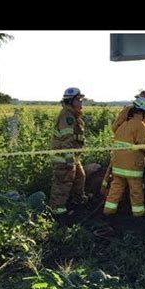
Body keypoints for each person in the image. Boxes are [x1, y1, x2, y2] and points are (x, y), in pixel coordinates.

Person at [103, 96, 145, 221]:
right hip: (132, 167)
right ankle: (138, 214)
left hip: (118, 165)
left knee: (116, 188)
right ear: (143, 112)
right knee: (136, 190)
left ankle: (108, 210)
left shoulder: (123, 125)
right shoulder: (140, 125)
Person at [49, 87, 87, 219]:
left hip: (72, 157)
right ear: (71, 101)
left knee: (79, 178)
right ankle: (58, 212)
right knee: (62, 184)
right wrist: (69, 159)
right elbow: (67, 140)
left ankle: (77, 203)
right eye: (79, 100)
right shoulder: (67, 116)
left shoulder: (73, 115)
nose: (81, 102)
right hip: (64, 157)